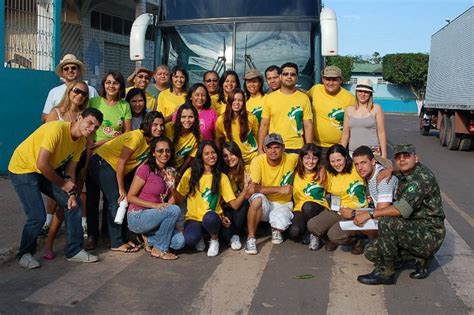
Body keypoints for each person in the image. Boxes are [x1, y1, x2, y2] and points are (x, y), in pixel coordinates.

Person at [8, 108, 103, 269]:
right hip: (23, 169)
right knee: (37, 216)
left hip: (47, 170)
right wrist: (64, 184)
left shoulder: (81, 141)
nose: (92, 128)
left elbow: (70, 171)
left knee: (74, 203)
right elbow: (41, 164)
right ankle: (25, 254)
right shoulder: (57, 129)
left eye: (96, 127)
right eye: (90, 123)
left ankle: (74, 251)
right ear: (79, 118)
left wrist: (71, 194)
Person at [357, 144, 446, 285]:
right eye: (398, 157)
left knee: (386, 221)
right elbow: (399, 169)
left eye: (406, 156)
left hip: (429, 232)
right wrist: (391, 169)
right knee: (372, 251)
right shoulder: (406, 172)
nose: (402, 160)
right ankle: (418, 258)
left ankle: (387, 273)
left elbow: (401, 209)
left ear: (416, 158)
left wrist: (371, 214)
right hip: (413, 227)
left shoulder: (421, 179)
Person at [86, 111, 165, 252]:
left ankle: (114, 237)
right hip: (102, 163)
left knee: (116, 201)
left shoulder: (151, 143)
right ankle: (116, 243)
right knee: (117, 198)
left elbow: (139, 167)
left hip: (113, 167)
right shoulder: (136, 136)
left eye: (161, 125)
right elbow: (121, 163)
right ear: (147, 124)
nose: (159, 128)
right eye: (155, 125)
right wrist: (122, 189)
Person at [42, 81, 90, 260]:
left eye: (84, 94)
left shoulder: (84, 115)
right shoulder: (56, 113)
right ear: (70, 91)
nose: (80, 95)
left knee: (68, 204)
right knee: (56, 202)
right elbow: (45, 141)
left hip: (75, 164)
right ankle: (49, 243)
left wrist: (84, 167)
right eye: (77, 91)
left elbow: (88, 143)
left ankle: (64, 243)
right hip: (55, 166)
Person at [175, 141, 248, 257]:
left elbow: (234, 205)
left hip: (213, 217)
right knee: (190, 239)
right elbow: (179, 198)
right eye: (206, 153)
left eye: (213, 152)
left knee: (210, 218)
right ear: (201, 157)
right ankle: (201, 237)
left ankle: (214, 240)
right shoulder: (190, 173)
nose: (211, 156)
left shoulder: (221, 176)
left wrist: (245, 190)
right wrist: (171, 187)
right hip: (194, 218)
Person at [126, 136, 185, 260]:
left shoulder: (171, 172)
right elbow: (130, 197)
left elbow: (171, 203)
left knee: (179, 242)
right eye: (160, 151)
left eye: (168, 151)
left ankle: (148, 239)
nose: (164, 154)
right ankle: (160, 249)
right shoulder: (145, 169)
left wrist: (172, 186)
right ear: (153, 153)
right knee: (174, 210)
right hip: (138, 215)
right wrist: (155, 205)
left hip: (156, 217)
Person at [307, 144, 367, 254]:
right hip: (338, 209)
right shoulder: (329, 173)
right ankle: (332, 238)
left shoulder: (357, 168)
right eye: (332, 161)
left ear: (346, 157)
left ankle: (357, 240)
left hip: (357, 212)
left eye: (339, 160)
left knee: (335, 235)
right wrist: (322, 168)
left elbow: (374, 163)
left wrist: (389, 170)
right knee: (313, 226)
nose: (336, 164)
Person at [245, 133, 298, 254]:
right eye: (269, 147)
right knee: (256, 199)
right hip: (266, 202)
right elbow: (252, 189)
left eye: (277, 147)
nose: (273, 151)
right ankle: (251, 238)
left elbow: (309, 157)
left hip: (283, 203)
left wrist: (321, 167)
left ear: (283, 148)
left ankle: (275, 228)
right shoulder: (258, 161)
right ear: (264, 149)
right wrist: (279, 189)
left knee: (281, 224)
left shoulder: (291, 158)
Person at [339, 146, 397, 239]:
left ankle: (385, 244)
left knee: (361, 220)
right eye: (356, 164)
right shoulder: (370, 174)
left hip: (398, 220)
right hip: (386, 214)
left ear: (373, 161)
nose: (360, 168)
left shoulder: (383, 179)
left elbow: (381, 213)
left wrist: (354, 213)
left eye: (363, 163)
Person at [258, 62, 313, 154]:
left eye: (292, 74)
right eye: (285, 74)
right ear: (280, 77)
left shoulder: (304, 98)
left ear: (297, 78)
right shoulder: (269, 98)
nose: (289, 77)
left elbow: (308, 125)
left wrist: (309, 148)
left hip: (297, 147)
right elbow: (264, 125)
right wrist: (260, 148)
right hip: (275, 147)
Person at [307, 66, 355, 157]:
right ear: (323, 79)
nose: (331, 83)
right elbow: (301, 97)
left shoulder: (350, 99)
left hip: (340, 148)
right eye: (328, 79)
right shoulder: (315, 90)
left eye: (335, 79)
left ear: (340, 80)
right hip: (317, 147)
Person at [290, 143, 328, 250]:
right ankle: (308, 231)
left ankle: (314, 234)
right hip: (299, 208)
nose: (310, 162)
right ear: (301, 159)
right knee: (294, 232)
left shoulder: (323, 173)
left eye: (314, 158)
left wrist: (323, 168)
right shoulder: (296, 172)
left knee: (308, 207)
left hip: (318, 208)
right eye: (307, 158)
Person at [41, 54, 98, 123]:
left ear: (79, 71)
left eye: (73, 68)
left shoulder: (91, 90)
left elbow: (97, 114)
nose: (70, 70)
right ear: (62, 72)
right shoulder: (54, 91)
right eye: (66, 68)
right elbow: (45, 116)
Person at [341, 79, 388, 158]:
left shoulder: (376, 108)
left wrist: (384, 154)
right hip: (353, 152)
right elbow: (345, 134)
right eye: (360, 91)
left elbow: (381, 132)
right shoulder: (349, 110)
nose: (363, 94)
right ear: (356, 92)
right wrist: (341, 153)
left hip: (372, 153)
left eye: (366, 92)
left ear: (370, 94)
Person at [89, 70, 132, 150]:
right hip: (92, 147)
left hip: (114, 147)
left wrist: (103, 142)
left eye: (115, 83)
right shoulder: (93, 102)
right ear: (103, 84)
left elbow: (127, 133)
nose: (111, 86)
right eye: (108, 82)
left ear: (121, 86)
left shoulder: (125, 105)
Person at [221, 141, 252, 250]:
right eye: (225, 156)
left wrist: (243, 193)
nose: (229, 158)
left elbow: (250, 193)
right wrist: (244, 191)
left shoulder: (247, 169)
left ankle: (235, 235)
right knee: (225, 234)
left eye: (232, 154)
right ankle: (236, 233)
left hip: (242, 207)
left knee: (244, 202)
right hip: (227, 209)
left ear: (238, 154)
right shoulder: (222, 174)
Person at [216, 88, 259, 167]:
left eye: (240, 100)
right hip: (233, 160)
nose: (237, 103)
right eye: (234, 99)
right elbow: (220, 140)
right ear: (229, 101)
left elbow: (257, 136)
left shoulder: (251, 117)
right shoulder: (221, 120)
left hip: (252, 158)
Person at [167, 103, 201, 176]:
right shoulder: (169, 128)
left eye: (190, 117)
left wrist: (179, 174)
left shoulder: (198, 136)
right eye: (184, 117)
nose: (187, 120)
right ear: (179, 118)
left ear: (195, 118)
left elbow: (189, 158)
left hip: (178, 169)